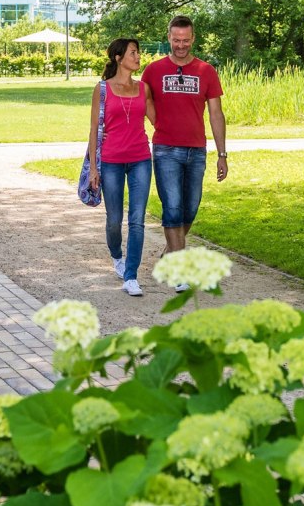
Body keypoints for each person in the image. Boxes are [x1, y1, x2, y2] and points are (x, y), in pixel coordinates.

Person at [140, 15, 226, 289]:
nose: (180, 45)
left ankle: (170, 252)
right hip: (165, 149)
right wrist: (157, 123)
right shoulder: (153, 70)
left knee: (190, 208)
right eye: (176, 40)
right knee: (173, 207)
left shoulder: (206, 71)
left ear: (193, 39)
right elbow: (144, 100)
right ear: (168, 38)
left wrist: (222, 154)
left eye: (185, 40)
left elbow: (215, 113)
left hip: (196, 150)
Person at [86, 38, 157, 296]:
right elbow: (94, 129)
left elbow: (158, 121)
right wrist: (94, 167)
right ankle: (117, 255)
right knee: (114, 220)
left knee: (137, 220)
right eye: (133, 53)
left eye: (138, 52)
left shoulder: (144, 88)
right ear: (118, 57)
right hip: (112, 160)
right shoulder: (102, 89)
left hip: (140, 158)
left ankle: (131, 276)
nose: (138, 57)